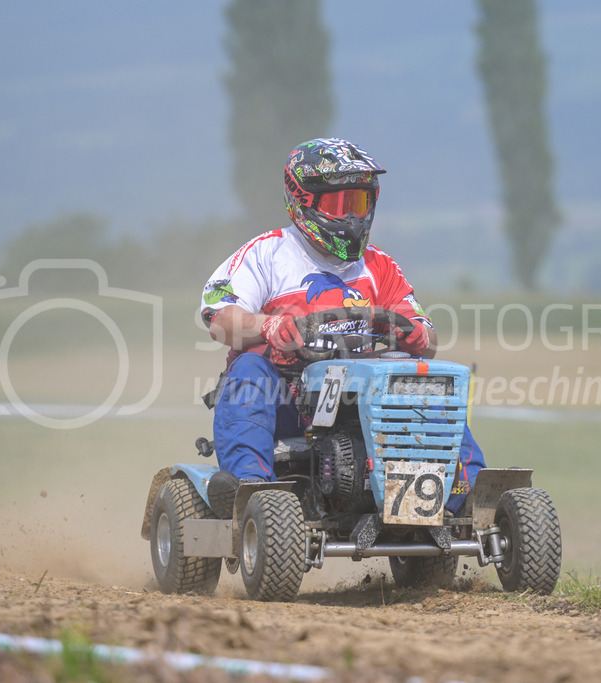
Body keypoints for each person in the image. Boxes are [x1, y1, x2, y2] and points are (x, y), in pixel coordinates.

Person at [199, 137, 485, 519]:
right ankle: (253, 492)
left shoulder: (380, 266)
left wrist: (417, 335)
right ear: (302, 202)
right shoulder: (268, 254)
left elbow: (425, 333)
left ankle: (467, 496)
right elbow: (219, 317)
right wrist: (266, 325)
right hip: (287, 396)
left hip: (358, 398)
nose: (352, 217)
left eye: (360, 203)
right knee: (249, 374)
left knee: (427, 385)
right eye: (339, 204)